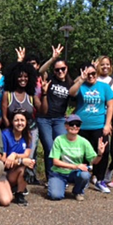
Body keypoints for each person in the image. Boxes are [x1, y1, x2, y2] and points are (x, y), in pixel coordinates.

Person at [69, 63, 113, 194]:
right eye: (88, 74)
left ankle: (100, 179)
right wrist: (81, 79)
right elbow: (71, 93)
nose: (91, 76)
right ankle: (83, 180)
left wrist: (107, 124)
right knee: (82, 154)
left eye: (93, 74)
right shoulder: (81, 86)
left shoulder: (104, 87)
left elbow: (111, 106)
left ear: (97, 74)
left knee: (103, 152)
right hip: (82, 126)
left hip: (99, 125)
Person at [1, 62, 43, 185]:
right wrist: (11, 128)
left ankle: (29, 177)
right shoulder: (7, 94)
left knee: (30, 154)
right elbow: (4, 114)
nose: (22, 79)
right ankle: (12, 178)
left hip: (30, 128)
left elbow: (42, 110)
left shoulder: (31, 95)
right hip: (12, 129)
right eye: (19, 76)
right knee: (11, 154)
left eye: (25, 76)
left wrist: (44, 94)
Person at [36, 45, 73, 181]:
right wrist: (53, 58)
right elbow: (41, 70)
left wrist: (72, 114)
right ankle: (51, 177)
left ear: (67, 69)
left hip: (59, 119)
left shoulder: (70, 83)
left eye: (63, 69)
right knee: (49, 147)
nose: (60, 71)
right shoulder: (50, 79)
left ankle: (61, 176)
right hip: (44, 119)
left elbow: (78, 98)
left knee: (61, 147)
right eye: (57, 69)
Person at [48, 115, 107, 201]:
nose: (75, 126)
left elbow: (94, 161)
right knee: (55, 196)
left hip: (74, 173)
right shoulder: (59, 140)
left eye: (77, 124)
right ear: (66, 126)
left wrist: (100, 154)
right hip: (59, 173)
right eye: (72, 124)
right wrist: (75, 166)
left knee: (85, 175)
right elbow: (55, 162)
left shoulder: (84, 142)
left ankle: (78, 191)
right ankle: (59, 185)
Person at [0, 110, 35, 206]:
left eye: (22, 120)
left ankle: (20, 194)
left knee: (28, 166)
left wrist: (15, 155)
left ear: (26, 122)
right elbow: (3, 160)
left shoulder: (28, 135)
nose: (19, 123)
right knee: (5, 201)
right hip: (3, 172)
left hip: (15, 171)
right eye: (16, 120)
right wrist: (21, 161)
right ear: (12, 121)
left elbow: (26, 154)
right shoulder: (4, 134)